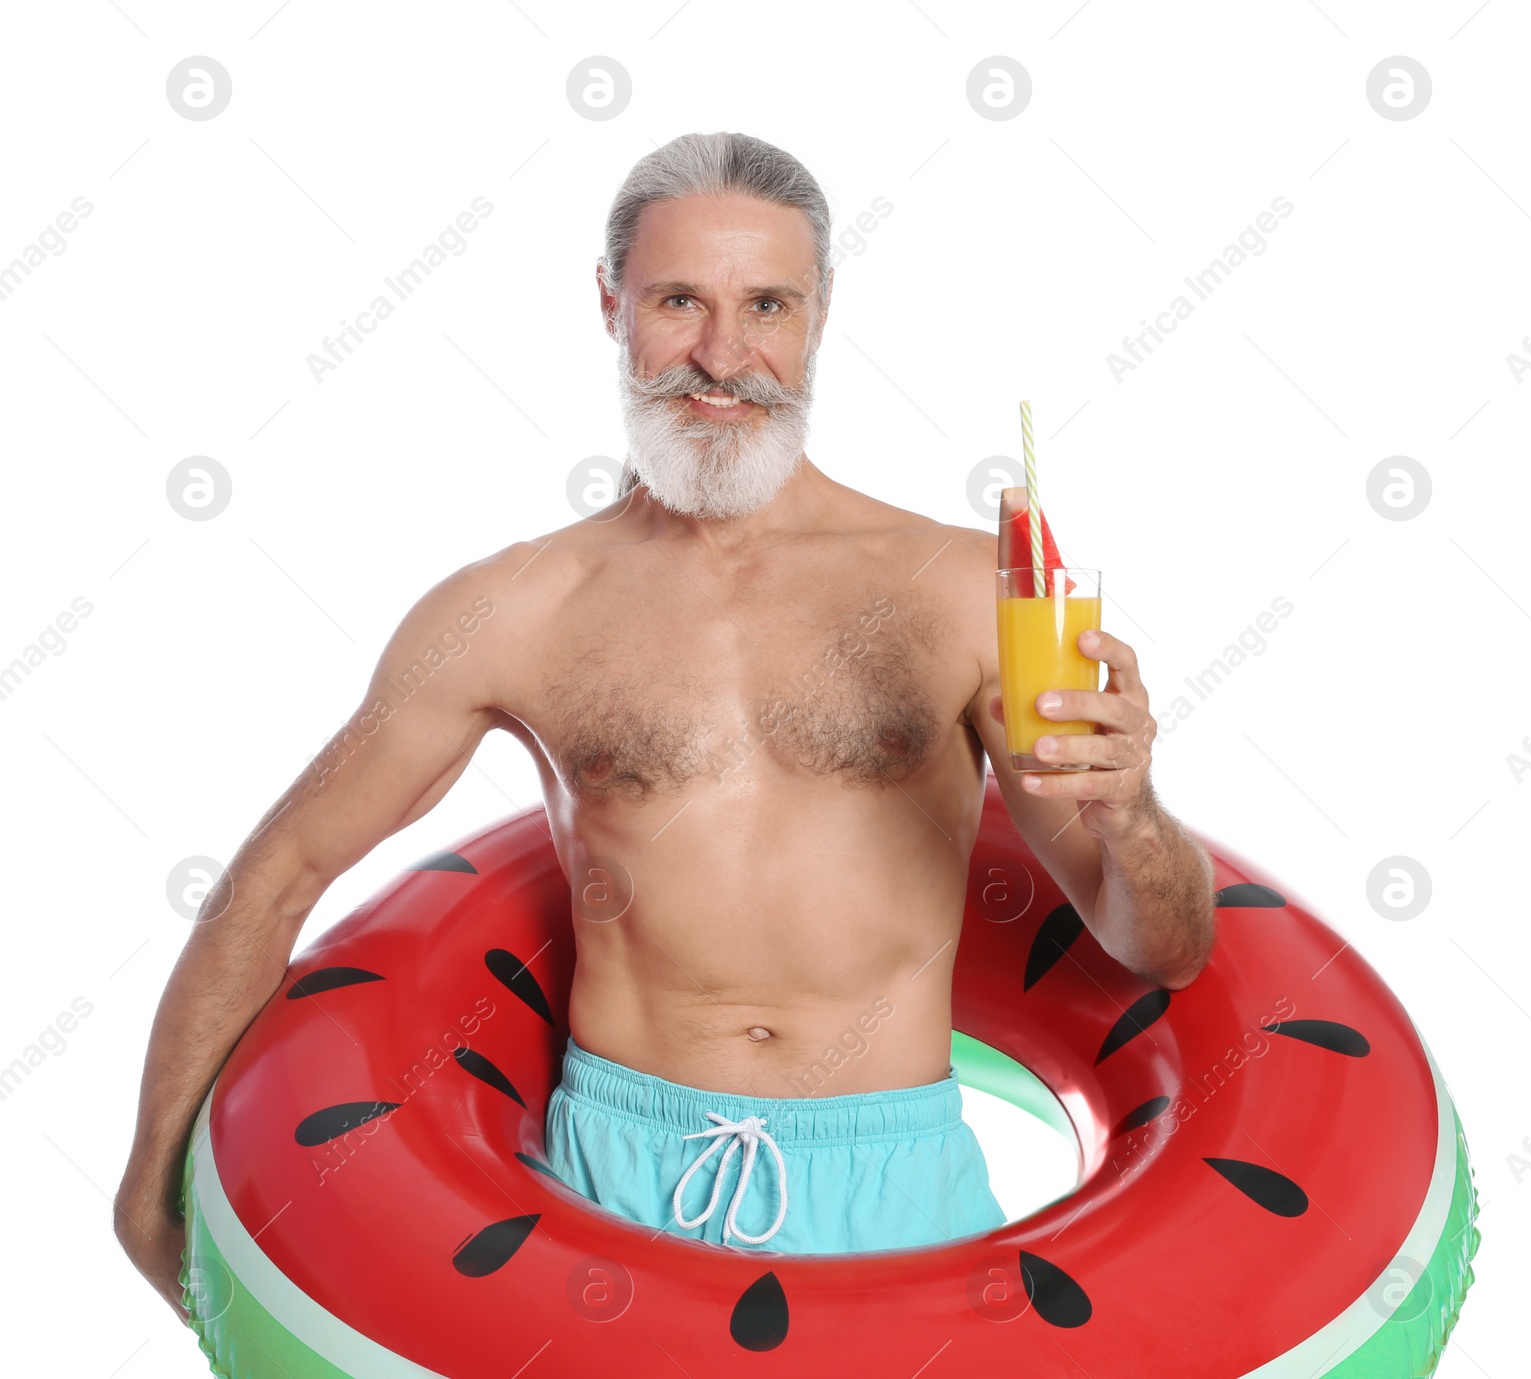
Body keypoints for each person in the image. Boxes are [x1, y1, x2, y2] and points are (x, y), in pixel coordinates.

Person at [116, 131, 1215, 1304]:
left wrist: (1135, 814)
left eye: (768, 306)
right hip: (612, 1180)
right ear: (609, 303)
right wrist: (149, 1185)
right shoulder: (512, 609)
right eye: (679, 300)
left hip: (899, 1179)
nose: (723, 355)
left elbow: (1160, 946)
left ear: (820, 317)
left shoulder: (961, 590)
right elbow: (278, 871)